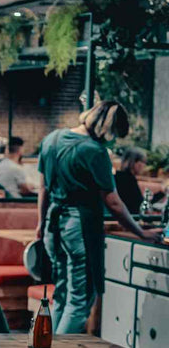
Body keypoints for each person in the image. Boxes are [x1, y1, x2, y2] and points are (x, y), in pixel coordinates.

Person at [36, 101, 162, 334]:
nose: (112, 140)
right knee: (79, 301)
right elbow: (113, 202)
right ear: (109, 128)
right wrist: (141, 232)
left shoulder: (51, 139)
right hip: (79, 228)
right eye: (114, 135)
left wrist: (40, 224)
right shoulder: (94, 151)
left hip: (52, 226)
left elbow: (43, 188)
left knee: (60, 297)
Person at [115, 146, 149, 214]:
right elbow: (139, 205)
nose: (144, 165)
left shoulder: (120, 176)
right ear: (134, 162)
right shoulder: (128, 180)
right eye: (143, 162)